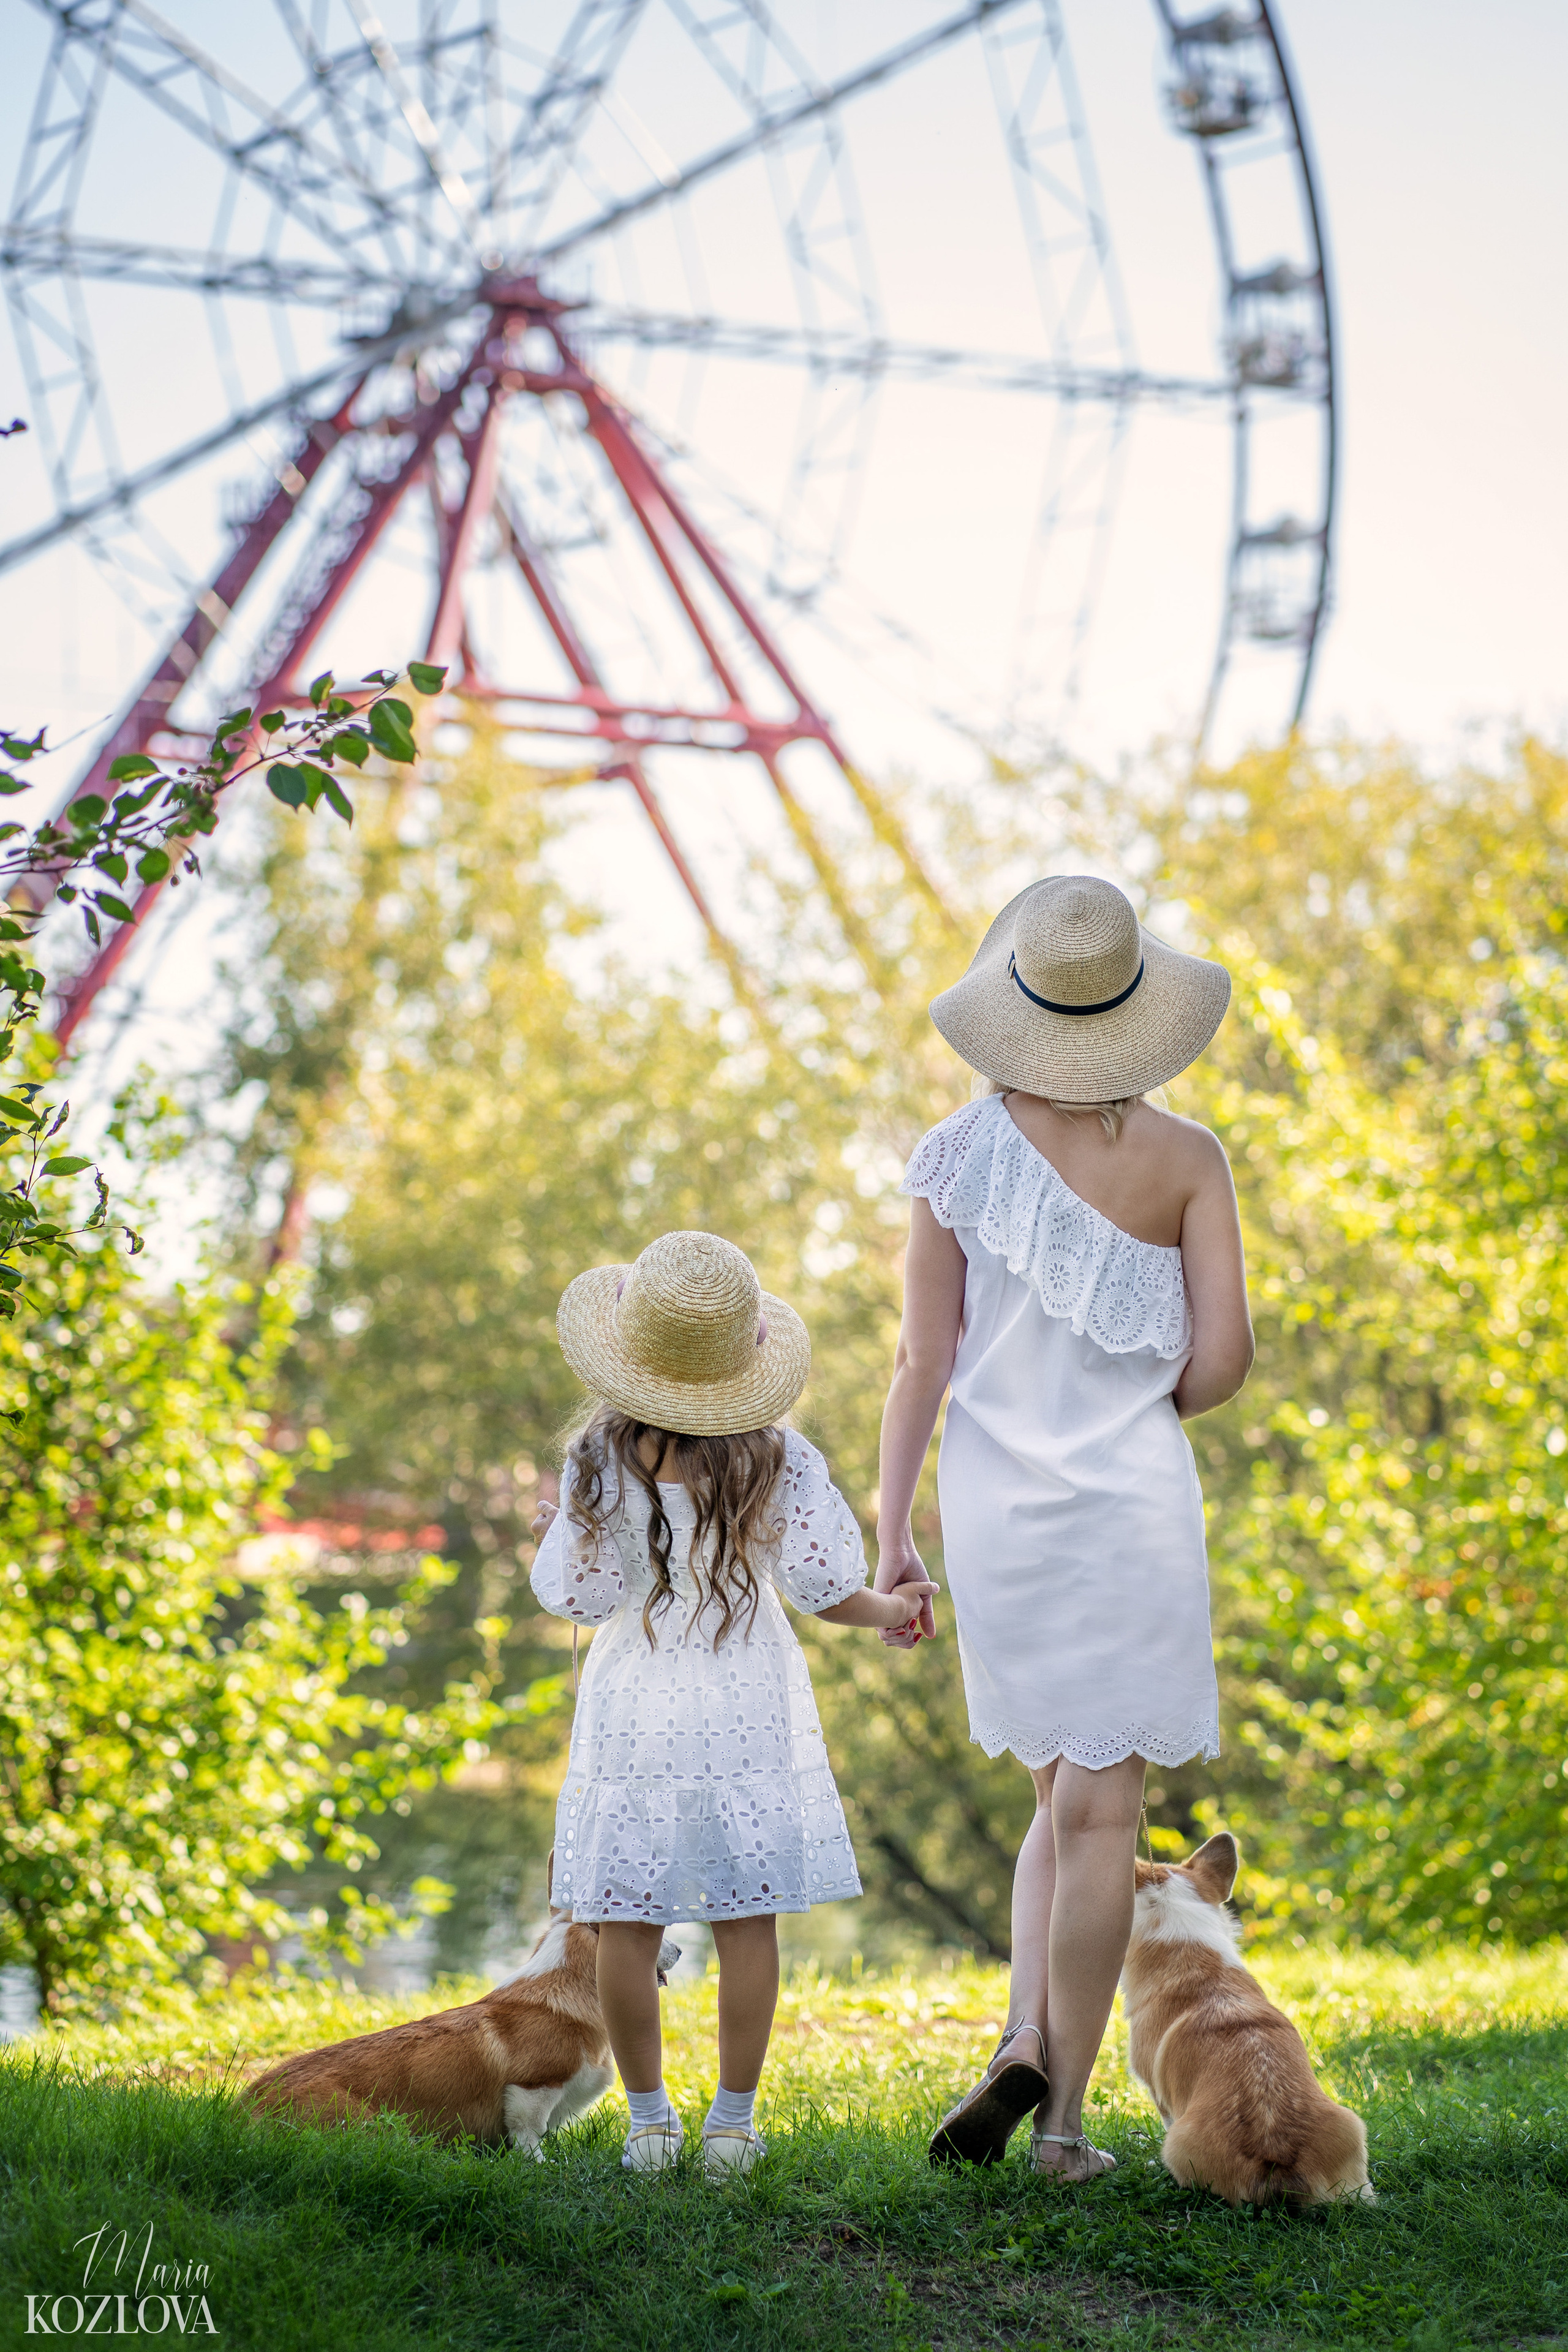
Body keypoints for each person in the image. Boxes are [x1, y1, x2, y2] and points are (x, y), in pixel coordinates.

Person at [873, 875, 1254, 2181]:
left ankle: (1020, 2035)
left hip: (996, 1513)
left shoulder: (953, 1158)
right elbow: (1218, 1368)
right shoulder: (1187, 1158)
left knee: (1055, 1797)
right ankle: (1064, 2130)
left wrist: (892, 1537)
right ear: (1137, 1009)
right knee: (1104, 1816)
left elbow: (919, 1362)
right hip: (1130, 1507)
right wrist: (1135, 1387)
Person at [530, 1228, 935, 2178]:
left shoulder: (595, 1461)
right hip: (747, 1694)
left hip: (638, 1699)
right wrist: (895, 1609)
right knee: (746, 1920)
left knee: (628, 1917)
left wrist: (574, 1534)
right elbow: (826, 1589)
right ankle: (733, 2128)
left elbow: (581, 1599)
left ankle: (648, 2124)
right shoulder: (777, 1460)